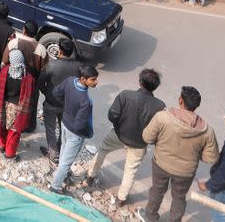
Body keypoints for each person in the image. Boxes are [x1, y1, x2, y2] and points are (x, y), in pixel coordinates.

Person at [85, 69, 165, 207]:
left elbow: (112, 115)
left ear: (140, 82)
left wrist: (119, 126)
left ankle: (90, 176)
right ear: (156, 86)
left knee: (102, 151)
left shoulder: (126, 95)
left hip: (118, 135)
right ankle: (121, 199)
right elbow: (158, 130)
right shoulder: (160, 106)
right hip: (140, 143)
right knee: (130, 171)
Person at [139, 86, 219, 222]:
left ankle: (150, 216)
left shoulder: (162, 117)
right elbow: (210, 157)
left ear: (180, 100)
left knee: (157, 190)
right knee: (179, 198)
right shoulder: (207, 131)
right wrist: (195, 153)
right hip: (185, 172)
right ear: (196, 106)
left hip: (161, 164)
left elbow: (147, 137)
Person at [49, 64, 99, 194]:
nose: (96, 82)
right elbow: (80, 124)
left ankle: (62, 174)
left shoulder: (70, 80)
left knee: (64, 152)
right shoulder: (85, 101)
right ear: (83, 79)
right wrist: (82, 134)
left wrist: (67, 107)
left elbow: (56, 93)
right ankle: (55, 186)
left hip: (65, 123)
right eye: (92, 79)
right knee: (67, 160)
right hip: (75, 133)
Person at [38, 38, 81, 163]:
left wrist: (47, 93)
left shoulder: (51, 66)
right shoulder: (79, 67)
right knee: (64, 129)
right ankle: (60, 149)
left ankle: (53, 153)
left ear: (60, 51)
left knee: (50, 129)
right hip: (68, 105)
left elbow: (40, 82)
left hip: (51, 103)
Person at [3, 20, 46, 132]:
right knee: (30, 104)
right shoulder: (41, 49)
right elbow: (44, 70)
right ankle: (28, 126)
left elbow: (5, 60)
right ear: (36, 33)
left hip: (14, 79)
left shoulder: (14, 43)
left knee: (12, 102)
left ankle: (10, 123)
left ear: (24, 30)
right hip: (32, 82)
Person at [0, 49, 35, 159]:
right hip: (18, 109)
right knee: (14, 132)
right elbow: (30, 97)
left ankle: (2, 145)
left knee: (1, 125)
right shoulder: (28, 77)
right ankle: (9, 154)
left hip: (3, 104)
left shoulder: (5, 71)